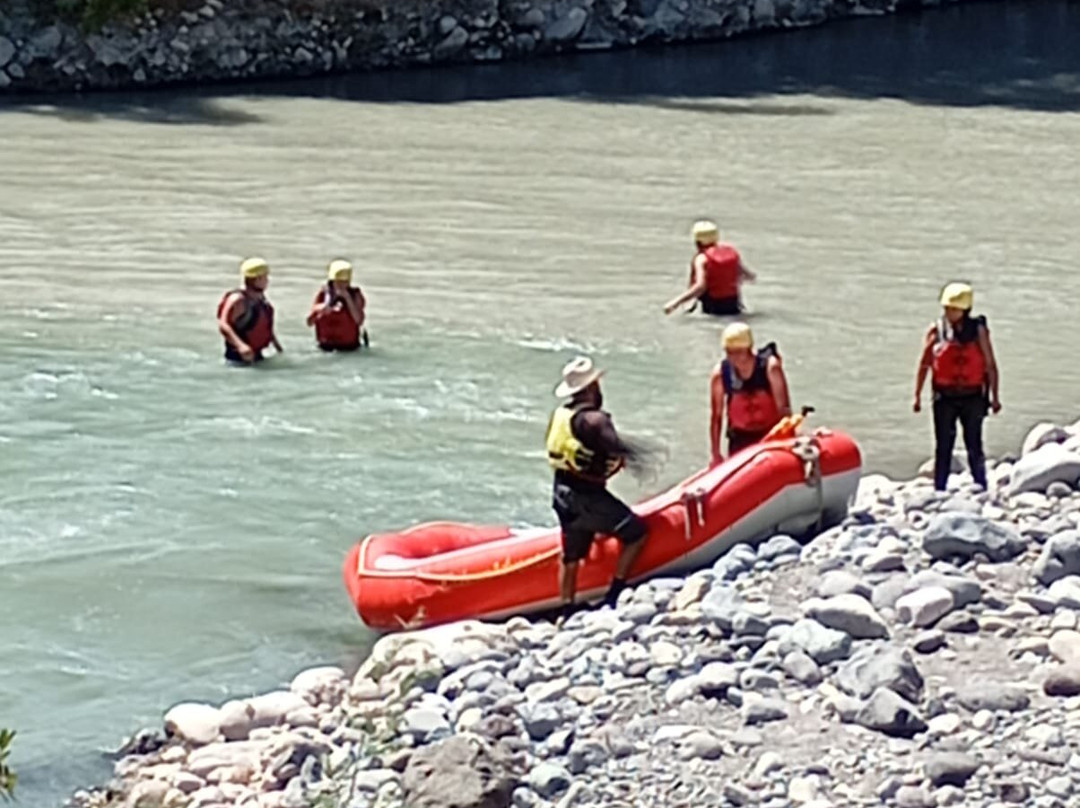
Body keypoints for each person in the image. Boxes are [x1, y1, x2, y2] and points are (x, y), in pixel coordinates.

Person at [545, 357, 648, 619]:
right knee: (636, 533)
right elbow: (615, 448)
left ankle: (565, 608)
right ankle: (614, 593)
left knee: (570, 555)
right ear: (593, 388)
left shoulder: (563, 415)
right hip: (587, 496)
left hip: (561, 492)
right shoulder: (596, 420)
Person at [914, 282, 1001, 491]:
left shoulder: (978, 332)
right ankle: (939, 489)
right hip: (945, 398)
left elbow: (990, 365)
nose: (949, 313)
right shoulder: (937, 330)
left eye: (954, 309)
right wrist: (917, 395)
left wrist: (995, 397)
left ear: (965, 310)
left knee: (974, 443)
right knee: (943, 446)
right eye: (947, 308)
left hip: (972, 396)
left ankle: (981, 485)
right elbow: (925, 363)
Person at [710, 322, 791, 463]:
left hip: (769, 434)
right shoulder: (721, 375)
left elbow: (783, 410)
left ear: (749, 349)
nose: (734, 358)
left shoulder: (770, 368)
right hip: (740, 439)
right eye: (730, 352)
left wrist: (788, 440)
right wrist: (716, 453)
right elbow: (716, 417)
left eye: (738, 352)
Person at [664, 220, 756, 316]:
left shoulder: (701, 259)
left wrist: (676, 302)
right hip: (734, 307)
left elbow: (700, 287)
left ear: (697, 240)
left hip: (713, 309)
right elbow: (749, 276)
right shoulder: (730, 254)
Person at [217, 257, 282, 364]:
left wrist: (277, 347)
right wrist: (240, 346)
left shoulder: (260, 299)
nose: (267, 281)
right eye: (264, 277)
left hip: (257, 355)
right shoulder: (238, 300)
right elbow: (223, 324)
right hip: (238, 359)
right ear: (255, 279)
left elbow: (266, 328)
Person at [306, 259, 366, 352]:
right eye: (338, 282)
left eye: (344, 282)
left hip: (349, 348)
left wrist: (347, 298)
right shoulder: (323, 294)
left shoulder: (355, 295)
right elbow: (309, 322)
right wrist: (322, 308)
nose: (341, 285)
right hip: (325, 347)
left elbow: (359, 320)